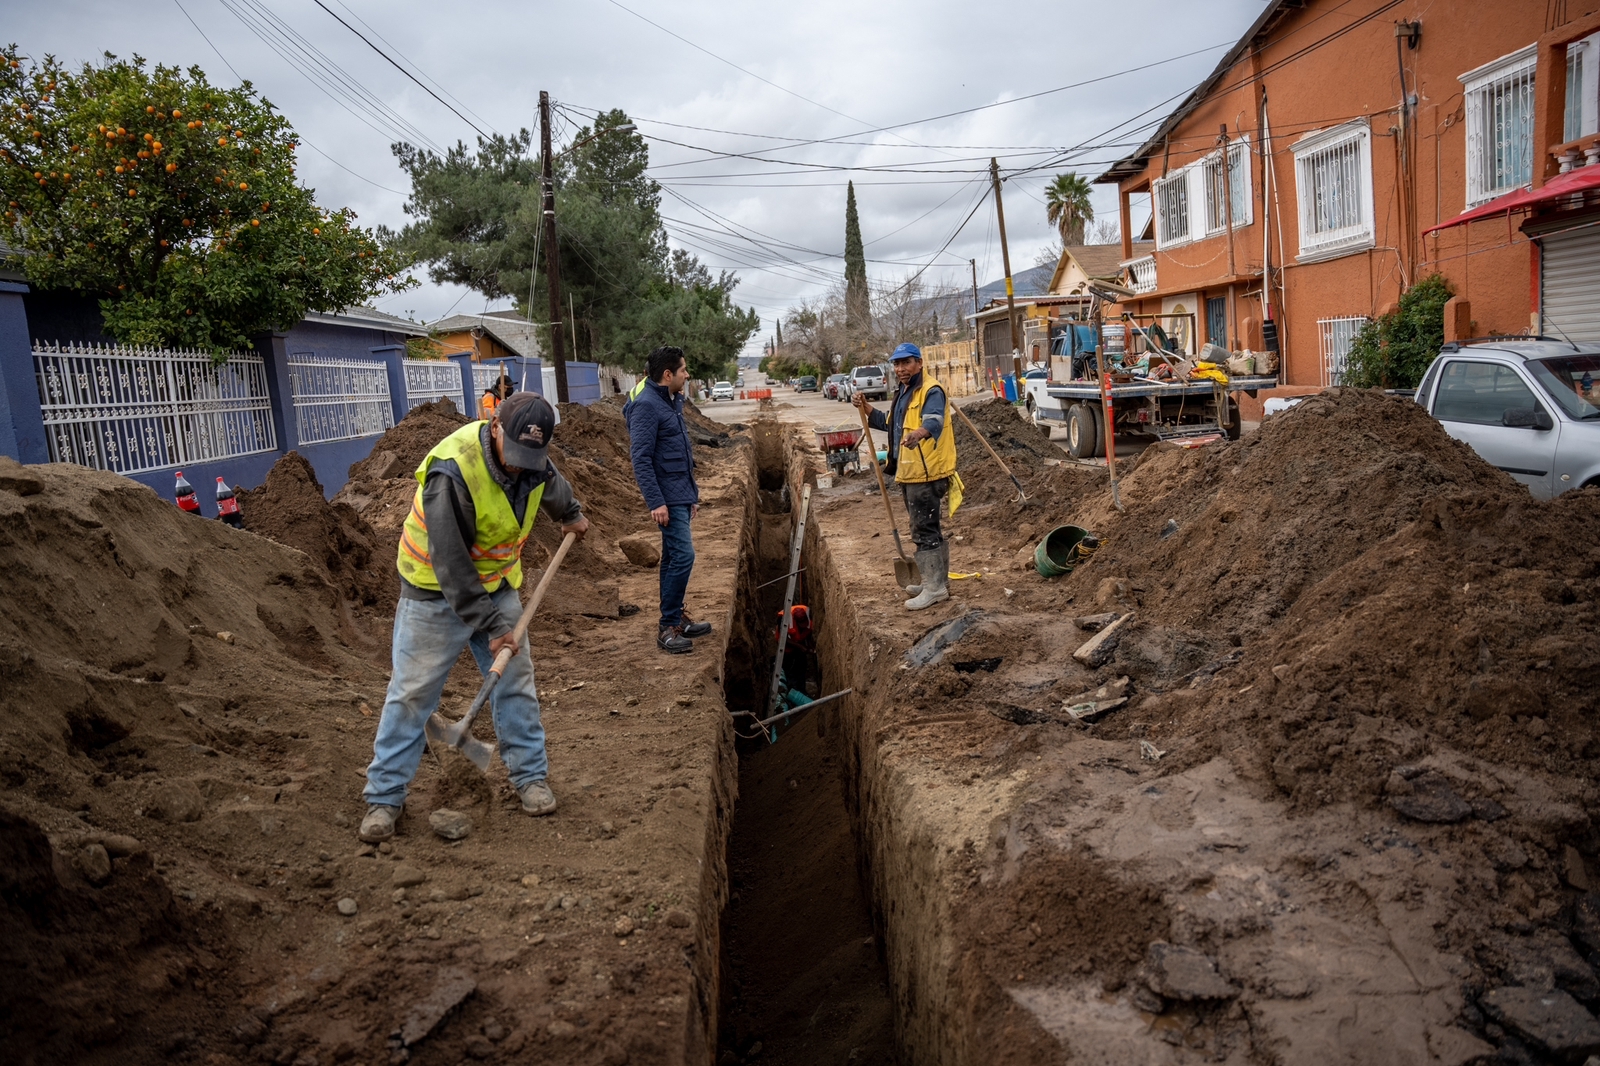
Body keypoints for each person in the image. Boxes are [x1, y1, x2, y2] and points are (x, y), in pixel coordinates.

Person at [358, 391, 589, 843]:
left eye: (533, 456)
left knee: (515, 680)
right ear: (495, 426)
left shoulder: (533, 458)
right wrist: (497, 629)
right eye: (516, 453)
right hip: (434, 590)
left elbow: (550, 482)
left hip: (496, 584)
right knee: (411, 694)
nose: (521, 465)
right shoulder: (454, 470)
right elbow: (452, 566)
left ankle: (530, 778)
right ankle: (384, 798)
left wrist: (572, 514)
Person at [854, 342, 960, 611]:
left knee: (923, 530)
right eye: (897, 364)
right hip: (912, 471)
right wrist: (866, 408)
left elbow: (933, 421)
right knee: (929, 527)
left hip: (926, 473)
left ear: (920, 363)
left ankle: (934, 588)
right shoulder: (904, 391)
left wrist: (919, 434)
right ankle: (936, 582)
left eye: (906, 363)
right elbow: (891, 424)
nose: (901, 369)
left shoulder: (930, 391)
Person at [626, 345, 712, 654]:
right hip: (666, 498)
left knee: (674, 557)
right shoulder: (648, 406)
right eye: (683, 370)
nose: (687, 375)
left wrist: (691, 496)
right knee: (684, 556)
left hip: (678, 493)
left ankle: (675, 618)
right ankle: (668, 626)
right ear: (667, 374)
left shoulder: (670, 402)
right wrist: (656, 502)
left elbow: (679, 453)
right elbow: (641, 459)